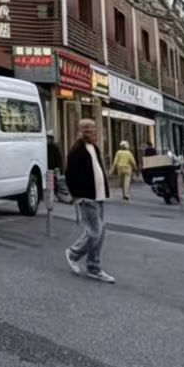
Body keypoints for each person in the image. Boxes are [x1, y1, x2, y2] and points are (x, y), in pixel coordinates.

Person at [64, 118, 115, 282]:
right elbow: (69, 175)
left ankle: (93, 267)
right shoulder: (76, 150)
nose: (89, 132)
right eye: (85, 129)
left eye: (91, 129)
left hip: (98, 196)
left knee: (100, 231)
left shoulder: (94, 148)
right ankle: (73, 253)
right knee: (95, 232)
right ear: (80, 132)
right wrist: (76, 196)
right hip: (86, 197)